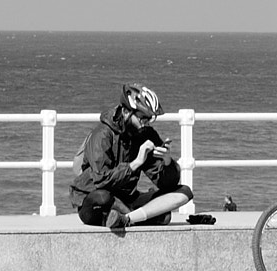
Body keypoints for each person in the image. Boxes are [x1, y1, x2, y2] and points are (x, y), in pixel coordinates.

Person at [68, 83, 193, 230]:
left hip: (127, 199)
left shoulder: (146, 135)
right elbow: (101, 180)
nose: (146, 123)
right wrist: (136, 163)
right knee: (103, 197)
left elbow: (166, 184)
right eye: (143, 118)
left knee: (184, 192)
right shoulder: (102, 135)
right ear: (127, 112)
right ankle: (136, 217)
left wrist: (167, 161)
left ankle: (126, 219)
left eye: (150, 119)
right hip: (94, 200)